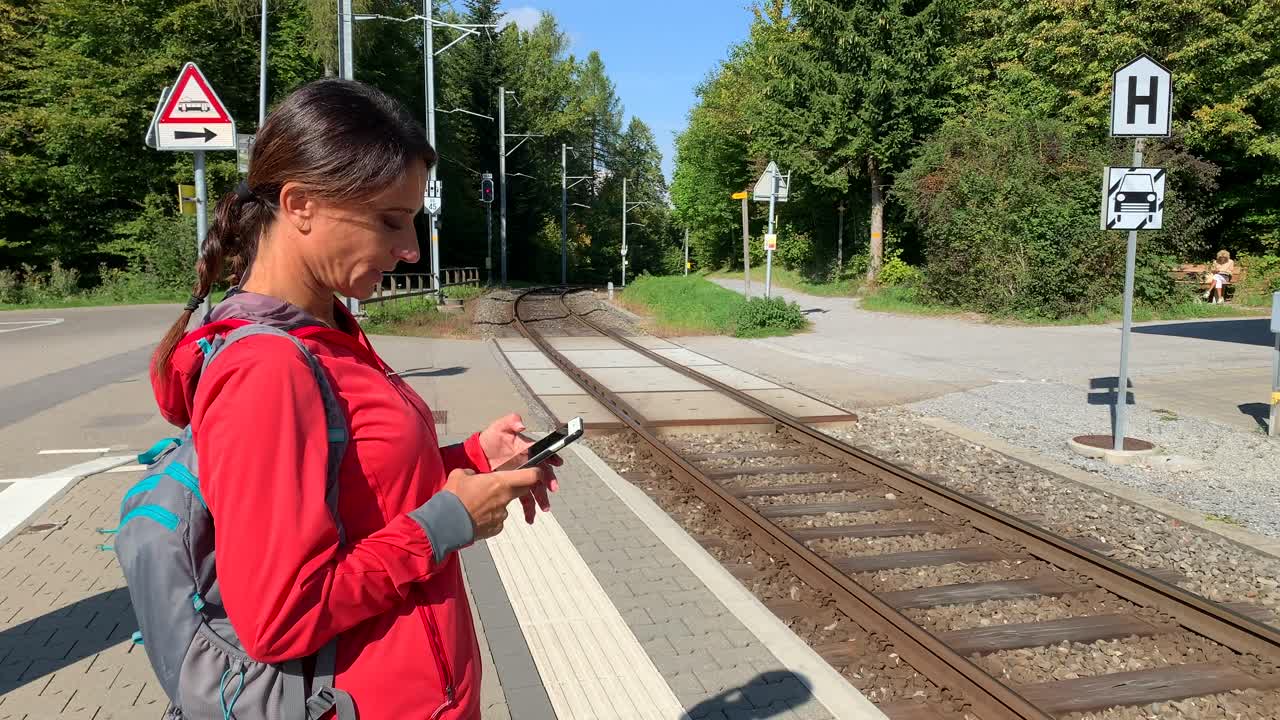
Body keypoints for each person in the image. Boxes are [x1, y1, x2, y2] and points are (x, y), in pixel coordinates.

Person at [150, 79, 557, 719]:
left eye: (414, 221)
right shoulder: (267, 368)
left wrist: (474, 458)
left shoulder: (327, 332)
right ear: (300, 204)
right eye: (389, 221)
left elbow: (357, 489)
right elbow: (280, 615)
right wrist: (448, 521)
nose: (411, 249)